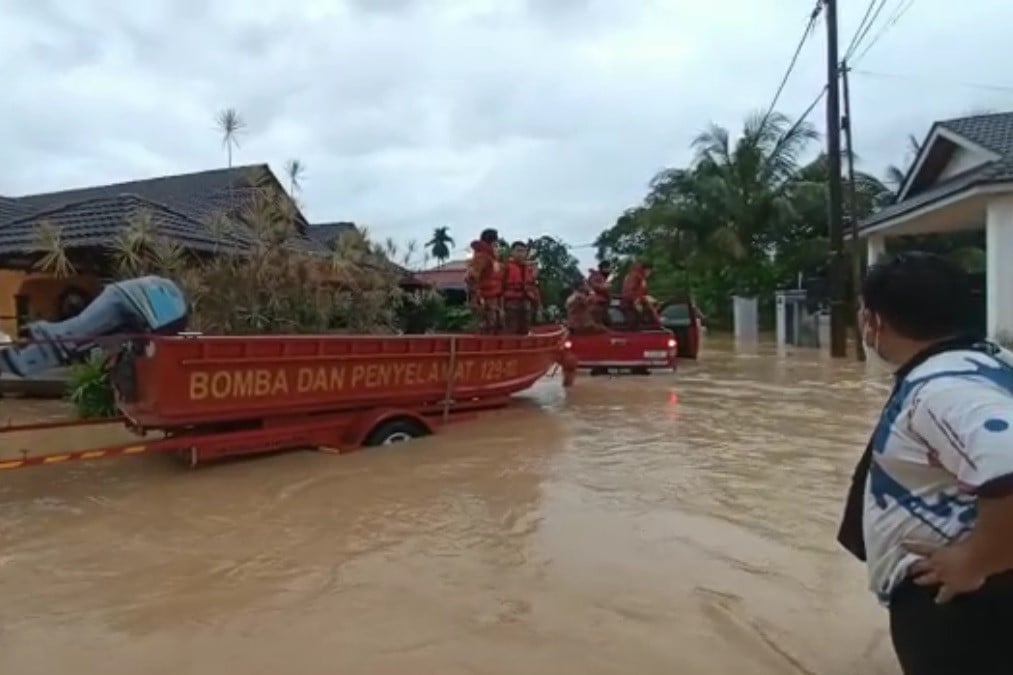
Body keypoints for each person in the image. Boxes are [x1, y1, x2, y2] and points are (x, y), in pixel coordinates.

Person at [835, 252, 1013, 675]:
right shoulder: (988, 364)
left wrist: (978, 559)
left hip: (963, 607)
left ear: (874, 322)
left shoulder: (943, 388)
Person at [465, 228, 503, 334]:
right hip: (485, 300)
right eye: (496, 243)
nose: (498, 247)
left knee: (495, 327)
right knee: (486, 329)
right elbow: (471, 277)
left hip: (494, 299)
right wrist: (477, 298)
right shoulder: (482, 257)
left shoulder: (492, 259)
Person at [501, 241, 539, 335]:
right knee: (511, 329)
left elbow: (532, 285)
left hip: (526, 302)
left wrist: (536, 303)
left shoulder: (528, 268)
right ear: (512, 252)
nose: (520, 254)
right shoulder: (506, 267)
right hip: (511, 303)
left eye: (523, 251)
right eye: (518, 251)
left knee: (525, 329)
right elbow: (500, 285)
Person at [620, 261, 657, 328]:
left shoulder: (641, 278)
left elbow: (641, 292)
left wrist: (646, 297)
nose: (650, 274)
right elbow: (628, 291)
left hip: (636, 305)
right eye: (650, 271)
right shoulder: (634, 276)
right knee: (633, 326)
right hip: (630, 306)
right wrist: (637, 300)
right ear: (646, 270)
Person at [587, 261, 613, 325]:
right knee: (601, 323)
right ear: (601, 268)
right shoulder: (596, 276)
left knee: (606, 322)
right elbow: (594, 286)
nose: (608, 269)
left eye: (608, 267)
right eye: (606, 267)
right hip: (597, 302)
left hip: (602, 302)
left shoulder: (602, 277)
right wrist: (605, 287)